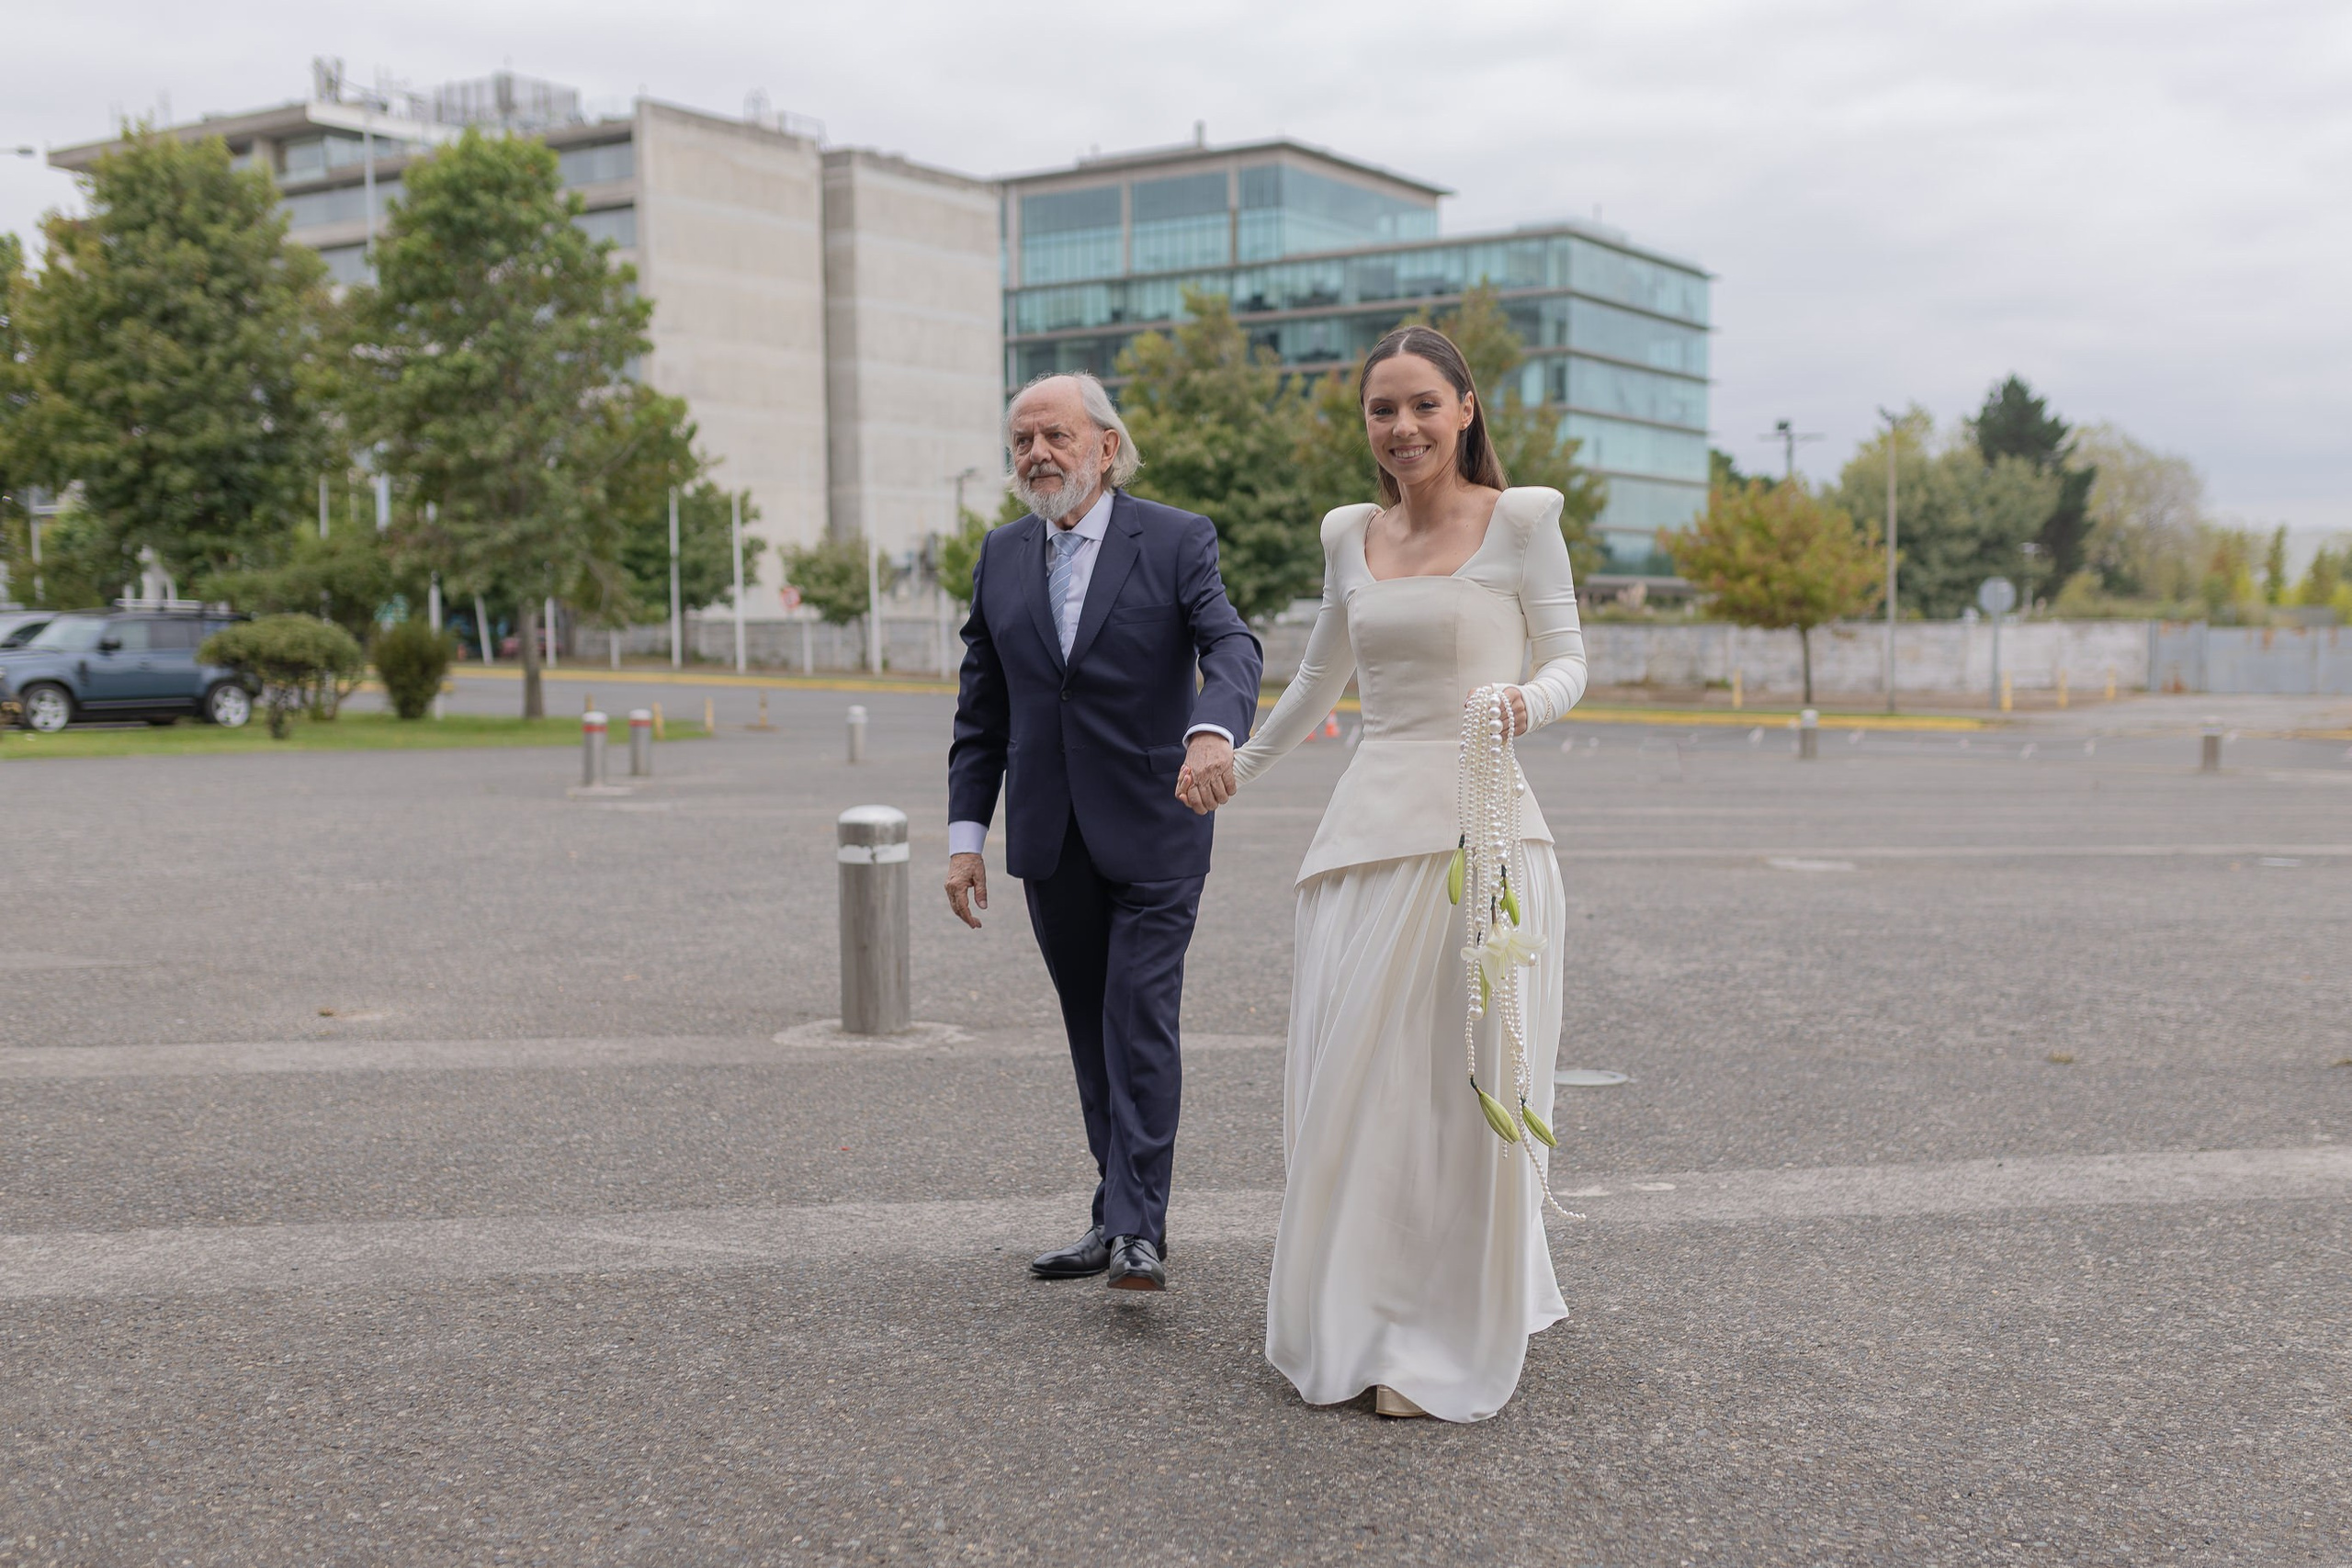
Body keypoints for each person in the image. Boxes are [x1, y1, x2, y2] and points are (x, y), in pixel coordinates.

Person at [1203, 325, 1588, 1421]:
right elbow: (1321, 675)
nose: (1403, 427)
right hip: (1365, 839)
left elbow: (1568, 659)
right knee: (1359, 1094)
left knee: (1453, 1093)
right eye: (1382, 410)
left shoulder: (1523, 521)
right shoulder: (1347, 534)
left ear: (1465, 408)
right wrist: (1241, 763)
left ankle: (1433, 1333)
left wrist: (1524, 704)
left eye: (1423, 404)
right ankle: (1361, 1312)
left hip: (1483, 829)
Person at [945, 371, 1264, 1293]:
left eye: (1055, 436)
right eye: (1021, 441)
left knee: (1139, 1019)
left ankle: (1138, 1229)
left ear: (1105, 447)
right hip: (1051, 839)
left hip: (1157, 827)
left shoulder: (1172, 539)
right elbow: (982, 709)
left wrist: (1214, 727)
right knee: (1091, 1029)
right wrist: (966, 836)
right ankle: (1111, 1214)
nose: (1037, 454)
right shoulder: (1002, 553)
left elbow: (1232, 645)